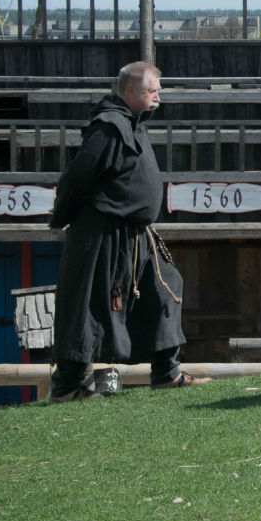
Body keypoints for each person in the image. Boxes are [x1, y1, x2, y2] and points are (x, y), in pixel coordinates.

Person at [47, 61, 210, 401]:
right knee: (87, 304)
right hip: (103, 233)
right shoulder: (108, 127)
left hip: (136, 234)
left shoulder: (131, 125)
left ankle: (166, 372)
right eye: (153, 91)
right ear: (131, 91)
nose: (158, 98)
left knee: (166, 287)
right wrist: (62, 217)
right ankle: (69, 386)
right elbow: (77, 178)